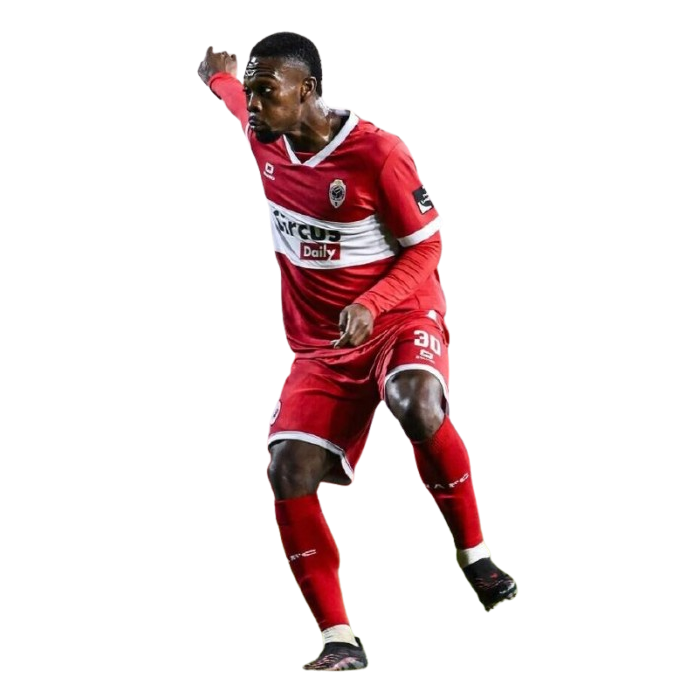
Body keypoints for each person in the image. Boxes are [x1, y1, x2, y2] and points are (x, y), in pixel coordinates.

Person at [197, 32, 518, 672]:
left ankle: (476, 556)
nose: (254, 105)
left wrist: (372, 303)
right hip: (320, 346)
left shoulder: (380, 153)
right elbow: (236, 102)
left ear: (308, 91)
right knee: (285, 469)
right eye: (252, 92)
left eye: (267, 91)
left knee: (415, 402)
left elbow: (429, 246)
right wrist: (219, 78)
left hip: (399, 315)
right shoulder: (265, 134)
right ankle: (340, 640)